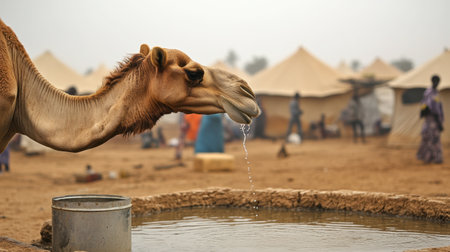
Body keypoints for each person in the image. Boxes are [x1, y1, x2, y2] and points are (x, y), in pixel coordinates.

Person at [417, 75, 444, 164]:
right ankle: (429, 157)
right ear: (432, 81)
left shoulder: (434, 92)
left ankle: (434, 158)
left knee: (433, 139)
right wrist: (439, 123)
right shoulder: (430, 93)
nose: (436, 83)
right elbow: (430, 108)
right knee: (430, 138)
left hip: (434, 120)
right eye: (435, 81)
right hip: (432, 120)